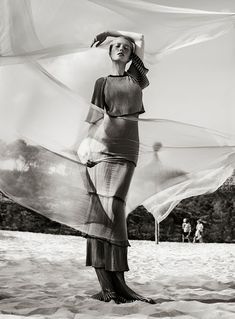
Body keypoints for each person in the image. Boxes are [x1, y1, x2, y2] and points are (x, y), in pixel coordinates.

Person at [77, 30, 154, 304]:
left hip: (126, 150)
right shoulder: (101, 82)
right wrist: (86, 145)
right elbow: (95, 117)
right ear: (109, 53)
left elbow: (141, 37)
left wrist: (111, 33)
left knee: (115, 208)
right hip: (101, 148)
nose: (120, 48)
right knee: (98, 211)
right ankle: (105, 286)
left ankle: (120, 283)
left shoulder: (136, 78)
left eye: (125, 47)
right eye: (115, 46)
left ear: (131, 54)